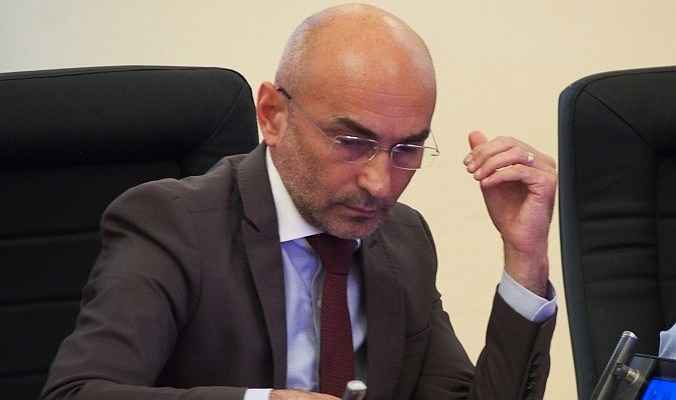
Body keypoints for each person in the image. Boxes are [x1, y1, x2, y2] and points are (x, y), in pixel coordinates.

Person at [41, 4, 558, 400]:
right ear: (272, 115)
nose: (380, 184)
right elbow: (77, 392)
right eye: (351, 142)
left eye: (407, 149)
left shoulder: (403, 239)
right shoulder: (171, 224)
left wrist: (525, 257)